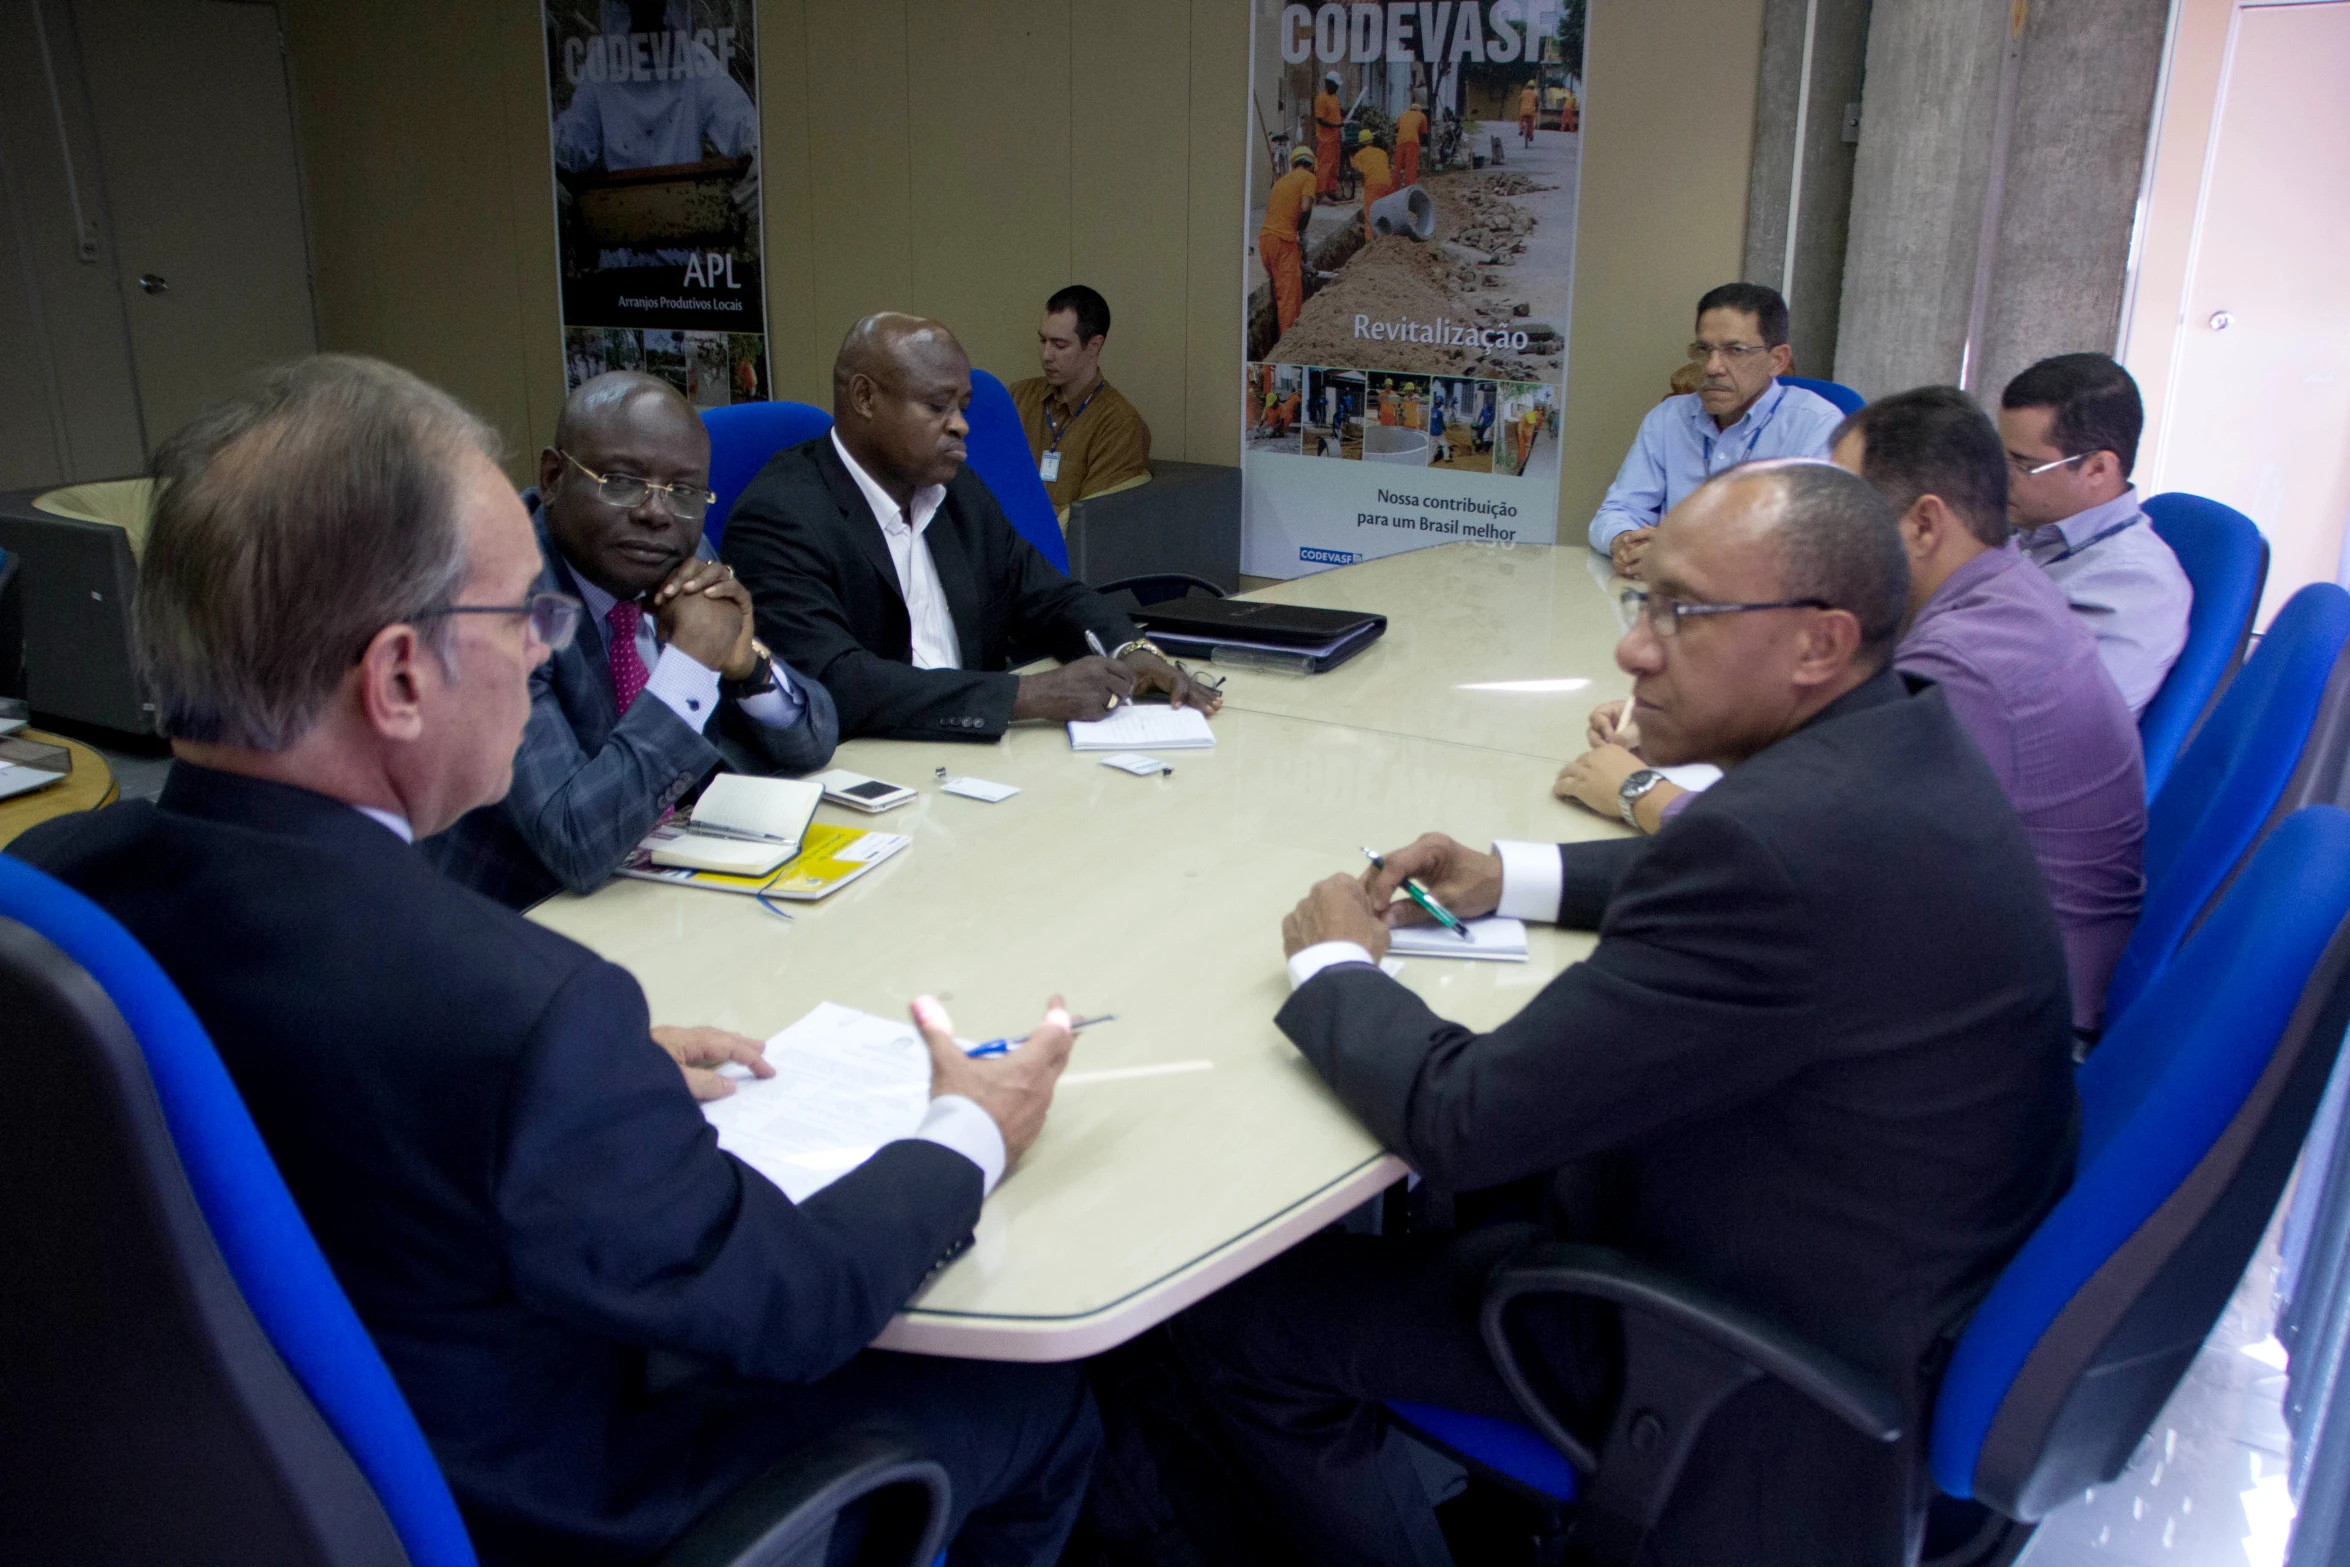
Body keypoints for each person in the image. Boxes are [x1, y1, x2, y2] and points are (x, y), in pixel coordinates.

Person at [7, 354, 1100, 1565]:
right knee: (1048, 1401)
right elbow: (788, 1304)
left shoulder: (57, 885)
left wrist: (592, 1083)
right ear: (401, 676)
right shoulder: (515, 1009)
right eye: (524, 614)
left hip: (208, 1490)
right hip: (559, 1510)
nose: (547, 650)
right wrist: (966, 1131)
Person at [1104, 461, 2077, 1564]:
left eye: (1684, 613)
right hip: (1877, 1274)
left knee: (1233, 1322)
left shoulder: (1769, 852)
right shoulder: (1898, 744)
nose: (1635, 647)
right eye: (1643, 600)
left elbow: (1463, 1119)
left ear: (1818, 642)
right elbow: (1746, 886)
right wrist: (1504, 875)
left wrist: (1334, 965)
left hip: (1738, 1356)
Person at [1563, 389, 2146, 1030]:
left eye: (1849, 513)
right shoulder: (1994, 593)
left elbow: (1813, 849)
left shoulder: (1968, 662)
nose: (1819, 538)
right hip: (1965, 960)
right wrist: (1698, 716)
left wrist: (1639, 790)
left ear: (1924, 525)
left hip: (1999, 1018)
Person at [420, 372, 837, 908]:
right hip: (521, 917)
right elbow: (577, 842)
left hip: (661, 890)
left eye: (684, 491)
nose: (655, 512)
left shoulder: (677, 556)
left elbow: (814, 737)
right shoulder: (489, 609)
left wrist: (746, 668)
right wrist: (689, 664)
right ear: (552, 478)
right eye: (620, 481)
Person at [722, 314, 1221, 741]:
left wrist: (1131, 650)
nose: (961, 425)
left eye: (962, 405)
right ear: (865, 398)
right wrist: (1025, 696)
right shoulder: (780, 516)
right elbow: (836, 683)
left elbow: (1049, 597)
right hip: (869, 766)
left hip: (975, 755)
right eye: (938, 407)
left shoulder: (955, 493)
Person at [1587, 282, 1845, 580]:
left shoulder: (1816, 425)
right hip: (1661, 599)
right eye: (1704, 350)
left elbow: (1813, 546)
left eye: (1735, 350)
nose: (1712, 367)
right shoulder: (1668, 419)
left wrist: (1682, 555)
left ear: (1777, 360)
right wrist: (1623, 542)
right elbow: (1617, 510)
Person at [2000, 353, 2192, 716]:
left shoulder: (2138, 587)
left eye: (2023, 465)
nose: (1999, 475)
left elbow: (2050, 728)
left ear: (2097, 468)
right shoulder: (2033, 532)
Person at [1009, 285, 1153, 515]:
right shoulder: (1019, 397)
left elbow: (1093, 522)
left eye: (1059, 345)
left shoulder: (1119, 424)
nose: (1046, 355)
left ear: (1094, 345)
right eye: (1042, 340)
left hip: (1060, 546)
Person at [1259, 147, 1318, 335]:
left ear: (1294, 163)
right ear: (1312, 165)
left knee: (1284, 291)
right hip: (1282, 241)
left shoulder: (1283, 180)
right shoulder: (1308, 178)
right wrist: (1301, 231)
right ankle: (1288, 344)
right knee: (1289, 300)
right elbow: (1306, 206)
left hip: (1265, 241)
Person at [1351, 128, 1393, 243]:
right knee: (1385, 210)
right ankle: (1388, 237)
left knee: (1370, 213)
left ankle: (1369, 241)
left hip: (1372, 184)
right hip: (1388, 184)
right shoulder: (1382, 152)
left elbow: (1358, 172)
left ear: (1360, 144)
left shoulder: (1358, 155)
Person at [1313, 72, 1345, 199]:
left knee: (1334, 166)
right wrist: (1335, 125)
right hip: (1325, 139)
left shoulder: (1334, 98)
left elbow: (1336, 113)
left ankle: (1331, 191)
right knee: (1324, 165)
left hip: (1335, 138)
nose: (1337, 88)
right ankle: (1320, 192)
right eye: (1335, 85)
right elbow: (1320, 119)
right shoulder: (1321, 98)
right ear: (1328, 83)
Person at [1394, 97, 1427, 185]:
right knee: (1410, 168)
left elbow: (1396, 129)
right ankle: (1409, 187)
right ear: (1419, 110)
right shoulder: (1422, 116)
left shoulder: (1403, 114)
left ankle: (1394, 188)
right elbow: (1424, 133)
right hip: (1412, 143)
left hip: (1400, 142)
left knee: (1397, 168)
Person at [1517, 78, 1539, 145]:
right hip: (1531, 112)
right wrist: (1537, 107)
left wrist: (1520, 106)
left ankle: (1521, 128)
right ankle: (1531, 136)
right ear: (1533, 87)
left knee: (1521, 120)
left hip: (1523, 110)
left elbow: (1520, 99)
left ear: (1528, 86)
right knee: (1531, 124)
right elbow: (1537, 102)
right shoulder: (1535, 94)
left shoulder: (1523, 92)